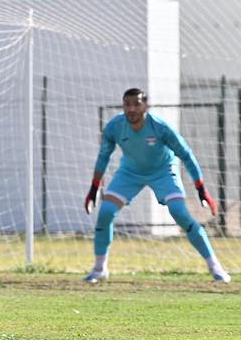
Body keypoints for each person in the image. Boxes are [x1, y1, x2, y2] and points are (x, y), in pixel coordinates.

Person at [84, 87, 229, 283]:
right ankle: (100, 269)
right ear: (123, 106)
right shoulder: (114, 127)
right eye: (127, 104)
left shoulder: (160, 127)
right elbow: (103, 157)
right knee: (106, 212)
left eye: (137, 104)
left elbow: (186, 155)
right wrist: (93, 189)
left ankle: (215, 267)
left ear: (146, 106)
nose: (132, 109)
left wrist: (201, 189)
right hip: (130, 172)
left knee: (179, 211)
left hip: (163, 171)